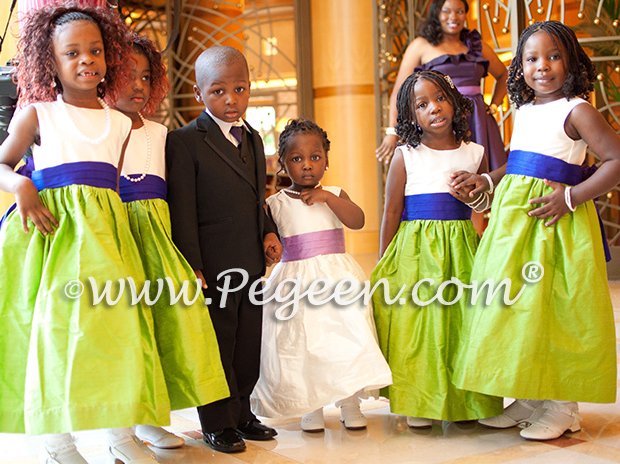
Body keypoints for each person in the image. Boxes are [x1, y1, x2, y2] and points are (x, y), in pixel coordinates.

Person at [0, 6, 167, 464]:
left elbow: (111, 191)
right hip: (53, 239)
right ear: (50, 61)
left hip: (107, 244)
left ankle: (120, 434)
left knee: (117, 332)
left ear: (110, 56)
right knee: (56, 337)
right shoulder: (37, 115)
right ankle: (58, 443)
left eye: (95, 50)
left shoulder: (118, 122)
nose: (86, 60)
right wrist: (21, 185)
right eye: (72, 52)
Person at [451, 21, 620, 441]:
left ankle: (562, 404)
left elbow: (616, 160)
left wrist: (572, 197)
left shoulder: (577, 110)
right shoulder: (523, 111)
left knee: (554, 309)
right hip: (513, 227)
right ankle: (530, 395)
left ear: (571, 61)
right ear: (520, 67)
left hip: (555, 225)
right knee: (520, 309)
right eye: (531, 58)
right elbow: (521, 164)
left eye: (553, 56)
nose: (542, 66)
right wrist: (489, 181)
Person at [113, 33, 230, 451]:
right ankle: (121, 430)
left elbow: (179, 198)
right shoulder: (99, 127)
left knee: (163, 330)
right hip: (116, 240)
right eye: (127, 74)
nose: (138, 85)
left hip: (157, 244)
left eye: (146, 76)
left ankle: (148, 417)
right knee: (126, 332)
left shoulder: (163, 134)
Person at [165, 46, 283, 453]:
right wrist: (192, 266)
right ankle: (217, 422)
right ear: (199, 94)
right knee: (218, 341)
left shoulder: (252, 137)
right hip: (212, 266)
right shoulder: (183, 142)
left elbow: (258, 197)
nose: (231, 100)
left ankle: (242, 413)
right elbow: (181, 210)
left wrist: (267, 232)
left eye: (239, 89)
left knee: (249, 341)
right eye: (218, 91)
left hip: (249, 261)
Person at [371, 70, 503, 428]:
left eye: (440, 98)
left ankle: (466, 400)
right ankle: (418, 400)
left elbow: (482, 207)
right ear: (411, 115)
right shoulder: (405, 155)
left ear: (455, 102)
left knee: (463, 326)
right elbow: (392, 210)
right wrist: (385, 260)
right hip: (415, 253)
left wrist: (474, 199)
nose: (434, 108)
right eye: (422, 104)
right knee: (419, 327)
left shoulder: (475, 153)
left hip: (461, 248)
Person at [250, 119, 392, 432]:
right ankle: (309, 403)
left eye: (315, 157)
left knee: (347, 339)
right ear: (284, 164)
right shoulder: (274, 204)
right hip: (295, 281)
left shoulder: (335, 193)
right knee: (303, 343)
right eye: (297, 159)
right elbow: (269, 242)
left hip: (336, 278)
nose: (307, 166)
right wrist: (270, 250)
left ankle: (350, 400)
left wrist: (329, 198)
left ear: (326, 160)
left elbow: (357, 220)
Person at [376, 0, 507, 172]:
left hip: (478, 120)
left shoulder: (476, 45)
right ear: (436, 14)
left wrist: (494, 106)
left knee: (486, 175)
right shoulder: (421, 46)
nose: (454, 17)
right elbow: (400, 92)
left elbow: (504, 75)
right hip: (439, 120)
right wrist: (392, 131)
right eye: (447, 11)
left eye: (459, 11)